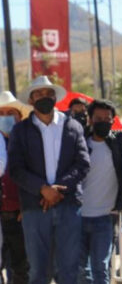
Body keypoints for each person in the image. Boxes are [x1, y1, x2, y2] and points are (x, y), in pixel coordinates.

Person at [8, 76, 90, 284]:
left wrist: (58, 191)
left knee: (69, 270)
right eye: (39, 94)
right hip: (34, 209)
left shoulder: (72, 126)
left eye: (48, 94)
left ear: (55, 98)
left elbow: (82, 164)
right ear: (31, 99)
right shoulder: (20, 130)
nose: (44, 97)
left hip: (68, 205)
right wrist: (43, 189)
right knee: (37, 271)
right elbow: (16, 169)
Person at [79, 99, 122, 284]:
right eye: (98, 118)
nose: (102, 121)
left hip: (105, 217)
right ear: (90, 119)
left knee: (100, 269)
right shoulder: (79, 143)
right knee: (80, 271)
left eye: (107, 118)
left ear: (113, 120)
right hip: (77, 217)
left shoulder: (120, 142)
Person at [0, 91, 31, 284]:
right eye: (1, 114)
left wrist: (27, 205)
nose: (5, 118)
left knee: (21, 267)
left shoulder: (28, 145)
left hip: (20, 215)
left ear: (19, 117)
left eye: (10, 113)